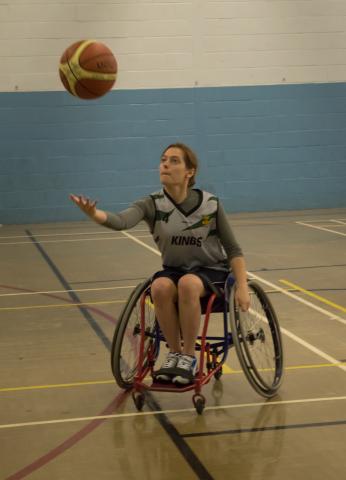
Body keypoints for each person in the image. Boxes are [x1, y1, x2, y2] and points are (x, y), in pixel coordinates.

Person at [70, 143, 250, 385]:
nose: (165, 164)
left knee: (188, 284)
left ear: (190, 172)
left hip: (211, 272)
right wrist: (94, 214)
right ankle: (174, 353)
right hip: (174, 270)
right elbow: (121, 221)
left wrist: (242, 286)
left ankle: (188, 356)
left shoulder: (211, 204)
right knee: (160, 287)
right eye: (163, 159)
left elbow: (233, 250)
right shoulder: (151, 204)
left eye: (174, 160)